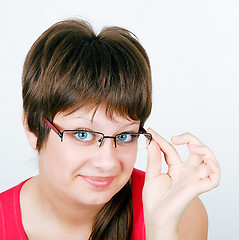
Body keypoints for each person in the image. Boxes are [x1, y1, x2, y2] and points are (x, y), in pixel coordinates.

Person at [0, 19, 221, 240]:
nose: (107, 163)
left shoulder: (177, 212)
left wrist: (162, 228)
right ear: (33, 129)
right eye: (82, 134)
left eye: (125, 136)